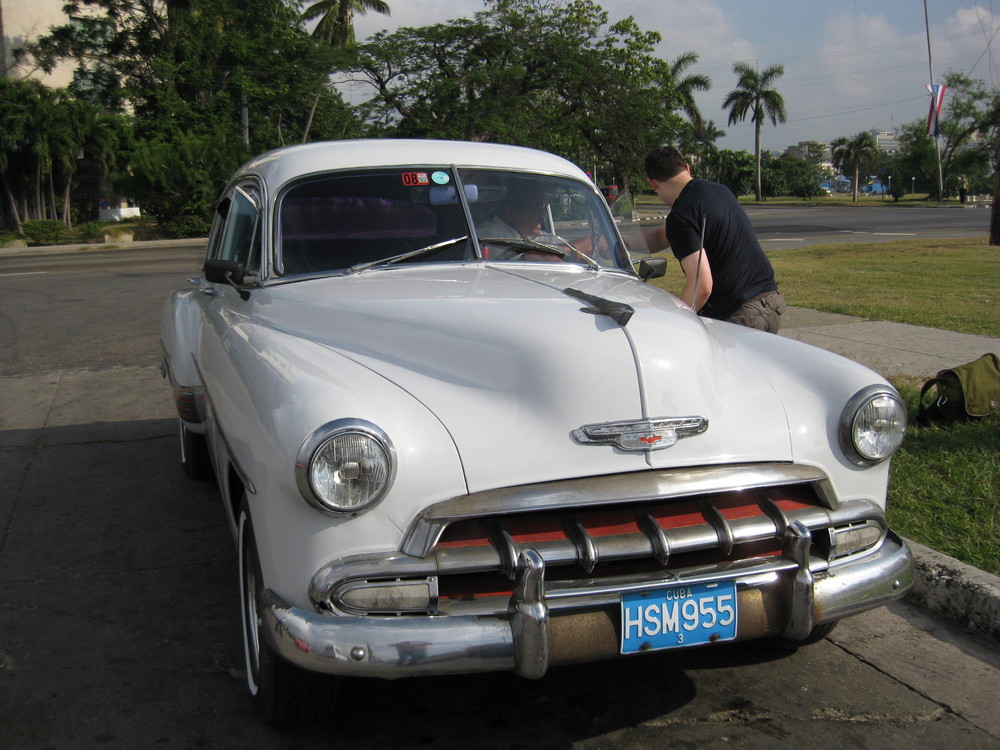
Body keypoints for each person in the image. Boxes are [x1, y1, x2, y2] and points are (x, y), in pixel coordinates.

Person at [643, 146, 787, 333]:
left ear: (652, 183)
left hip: (741, 314)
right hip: (771, 302)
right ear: (687, 168)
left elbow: (701, 287)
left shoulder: (681, 215)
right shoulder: (718, 192)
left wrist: (675, 324)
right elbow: (661, 235)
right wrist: (614, 242)